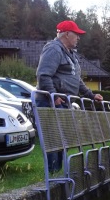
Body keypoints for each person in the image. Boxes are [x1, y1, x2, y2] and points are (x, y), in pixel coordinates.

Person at [36, 20, 103, 172]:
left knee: (62, 140)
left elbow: (76, 79)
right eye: (76, 34)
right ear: (66, 34)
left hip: (62, 102)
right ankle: (52, 176)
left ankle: (58, 174)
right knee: (54, 141)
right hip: (51, 103)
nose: (79, 37)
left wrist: (91, 95)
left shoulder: (71, 54)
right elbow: (43, 75)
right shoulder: (53, 49)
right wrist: (53, 96)